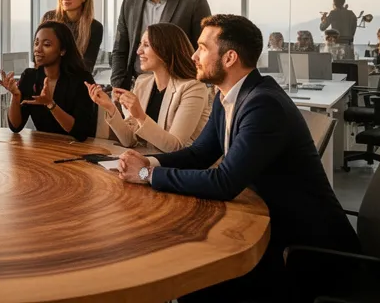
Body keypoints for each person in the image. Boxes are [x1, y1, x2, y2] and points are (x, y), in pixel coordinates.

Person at [114, 15, 360, 301]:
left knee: (195, 279)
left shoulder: (263, 104)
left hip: (301, 248)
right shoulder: (228, 95)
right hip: (269, 224)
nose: (194, 56)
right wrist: (149, 163)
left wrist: (146, 176)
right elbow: (201, 153)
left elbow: (224, 181)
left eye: (203, 48)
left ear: (229, 57)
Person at [88, 23, 211, 152]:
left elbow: (175, 147)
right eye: (140, 44)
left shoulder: (193, 88)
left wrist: (139, 115)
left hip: (182, 168)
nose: (138, 51)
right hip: (151, 163)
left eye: (146, 45)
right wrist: (110, 108)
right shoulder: (142, 83)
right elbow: (129, 141)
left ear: (165, 50)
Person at [111, 0, 212, 90]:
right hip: (138, 86)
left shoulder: (194, 1)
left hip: (179, 86)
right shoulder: (129, 3)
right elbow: (120, 50)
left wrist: (201, 86)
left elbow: (203, 48)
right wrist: (118, 86)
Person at [0, 22, 97, 141]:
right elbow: (15, 127)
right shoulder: (30, 76)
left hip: (76, 148)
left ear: (62, 50)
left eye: (46, 44)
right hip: (43, 147)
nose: (38, 49)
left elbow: (80, 133)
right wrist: (15, 95)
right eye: (36, 43)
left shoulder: (82, 79)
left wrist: (51, 104)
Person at [41, 0, 104, 70]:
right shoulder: (49, 18)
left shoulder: (94, 27)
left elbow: (87, 66)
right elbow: (39, 55)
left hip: (76, 81)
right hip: (47, 79)